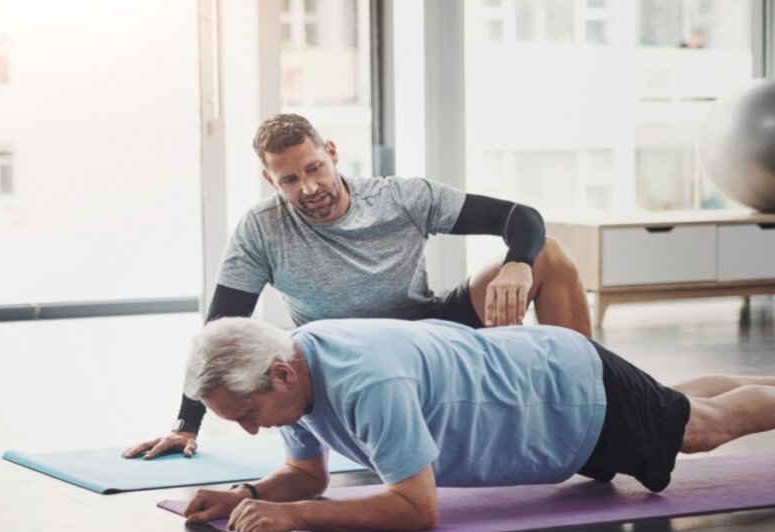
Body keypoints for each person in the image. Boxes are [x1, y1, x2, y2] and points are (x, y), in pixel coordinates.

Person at [123, 114, 592, 461]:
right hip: (342, 364)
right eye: (289, 179)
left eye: (313, 168)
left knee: (547, 253)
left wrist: (518, 262)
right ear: (270, 180)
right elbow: (222, 330)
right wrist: (187, 424)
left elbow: (520, 217)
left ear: (330, 152)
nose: (307, 187)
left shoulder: (399, 197)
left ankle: (594, 398)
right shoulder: (262, 228)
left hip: (425, 333)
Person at [177, 317, 775, 532]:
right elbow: (306, 473)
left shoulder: (366, 378)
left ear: (277, 374)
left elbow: (414, 507)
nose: (249, 431)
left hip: (562, 398)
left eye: (246, 416)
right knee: (670, 403)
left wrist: (295, 519)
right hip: (545, 370)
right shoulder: (297, 370)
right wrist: (244, 490)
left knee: (695, 430)